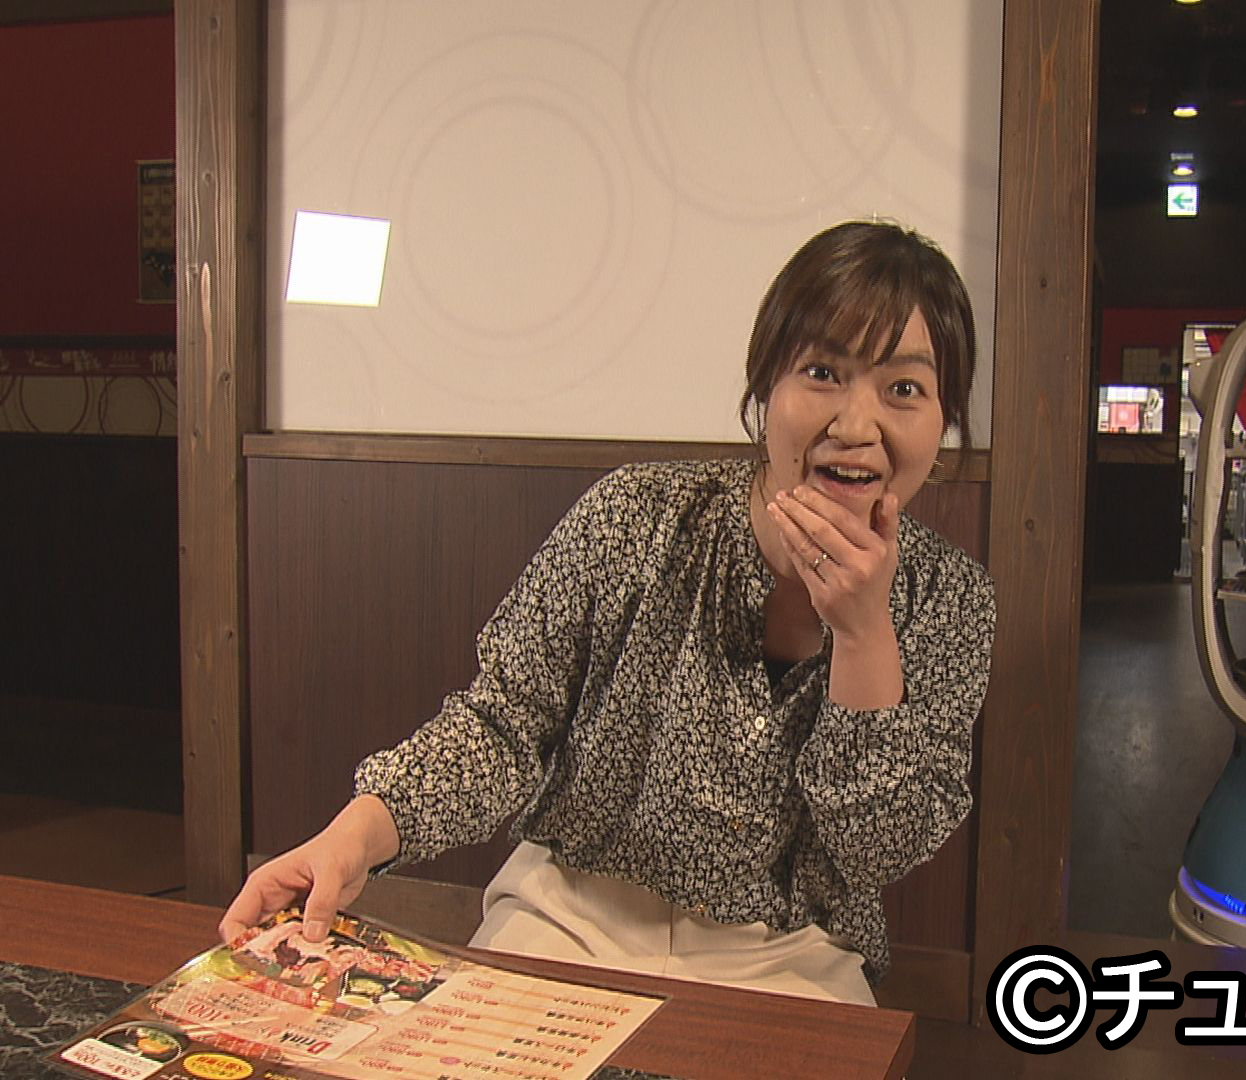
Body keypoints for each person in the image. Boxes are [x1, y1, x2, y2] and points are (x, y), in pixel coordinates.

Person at [220, 220, 996, 1007]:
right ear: (768, 387)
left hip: (794, 948)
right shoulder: (633, 518)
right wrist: (356, 835)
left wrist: (863, 633)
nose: (856, 427)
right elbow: (502, 726)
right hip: (571, 908)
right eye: (822, 371)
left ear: (944, 420)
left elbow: (876, 851)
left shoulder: (950, 597)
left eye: (904, 389)